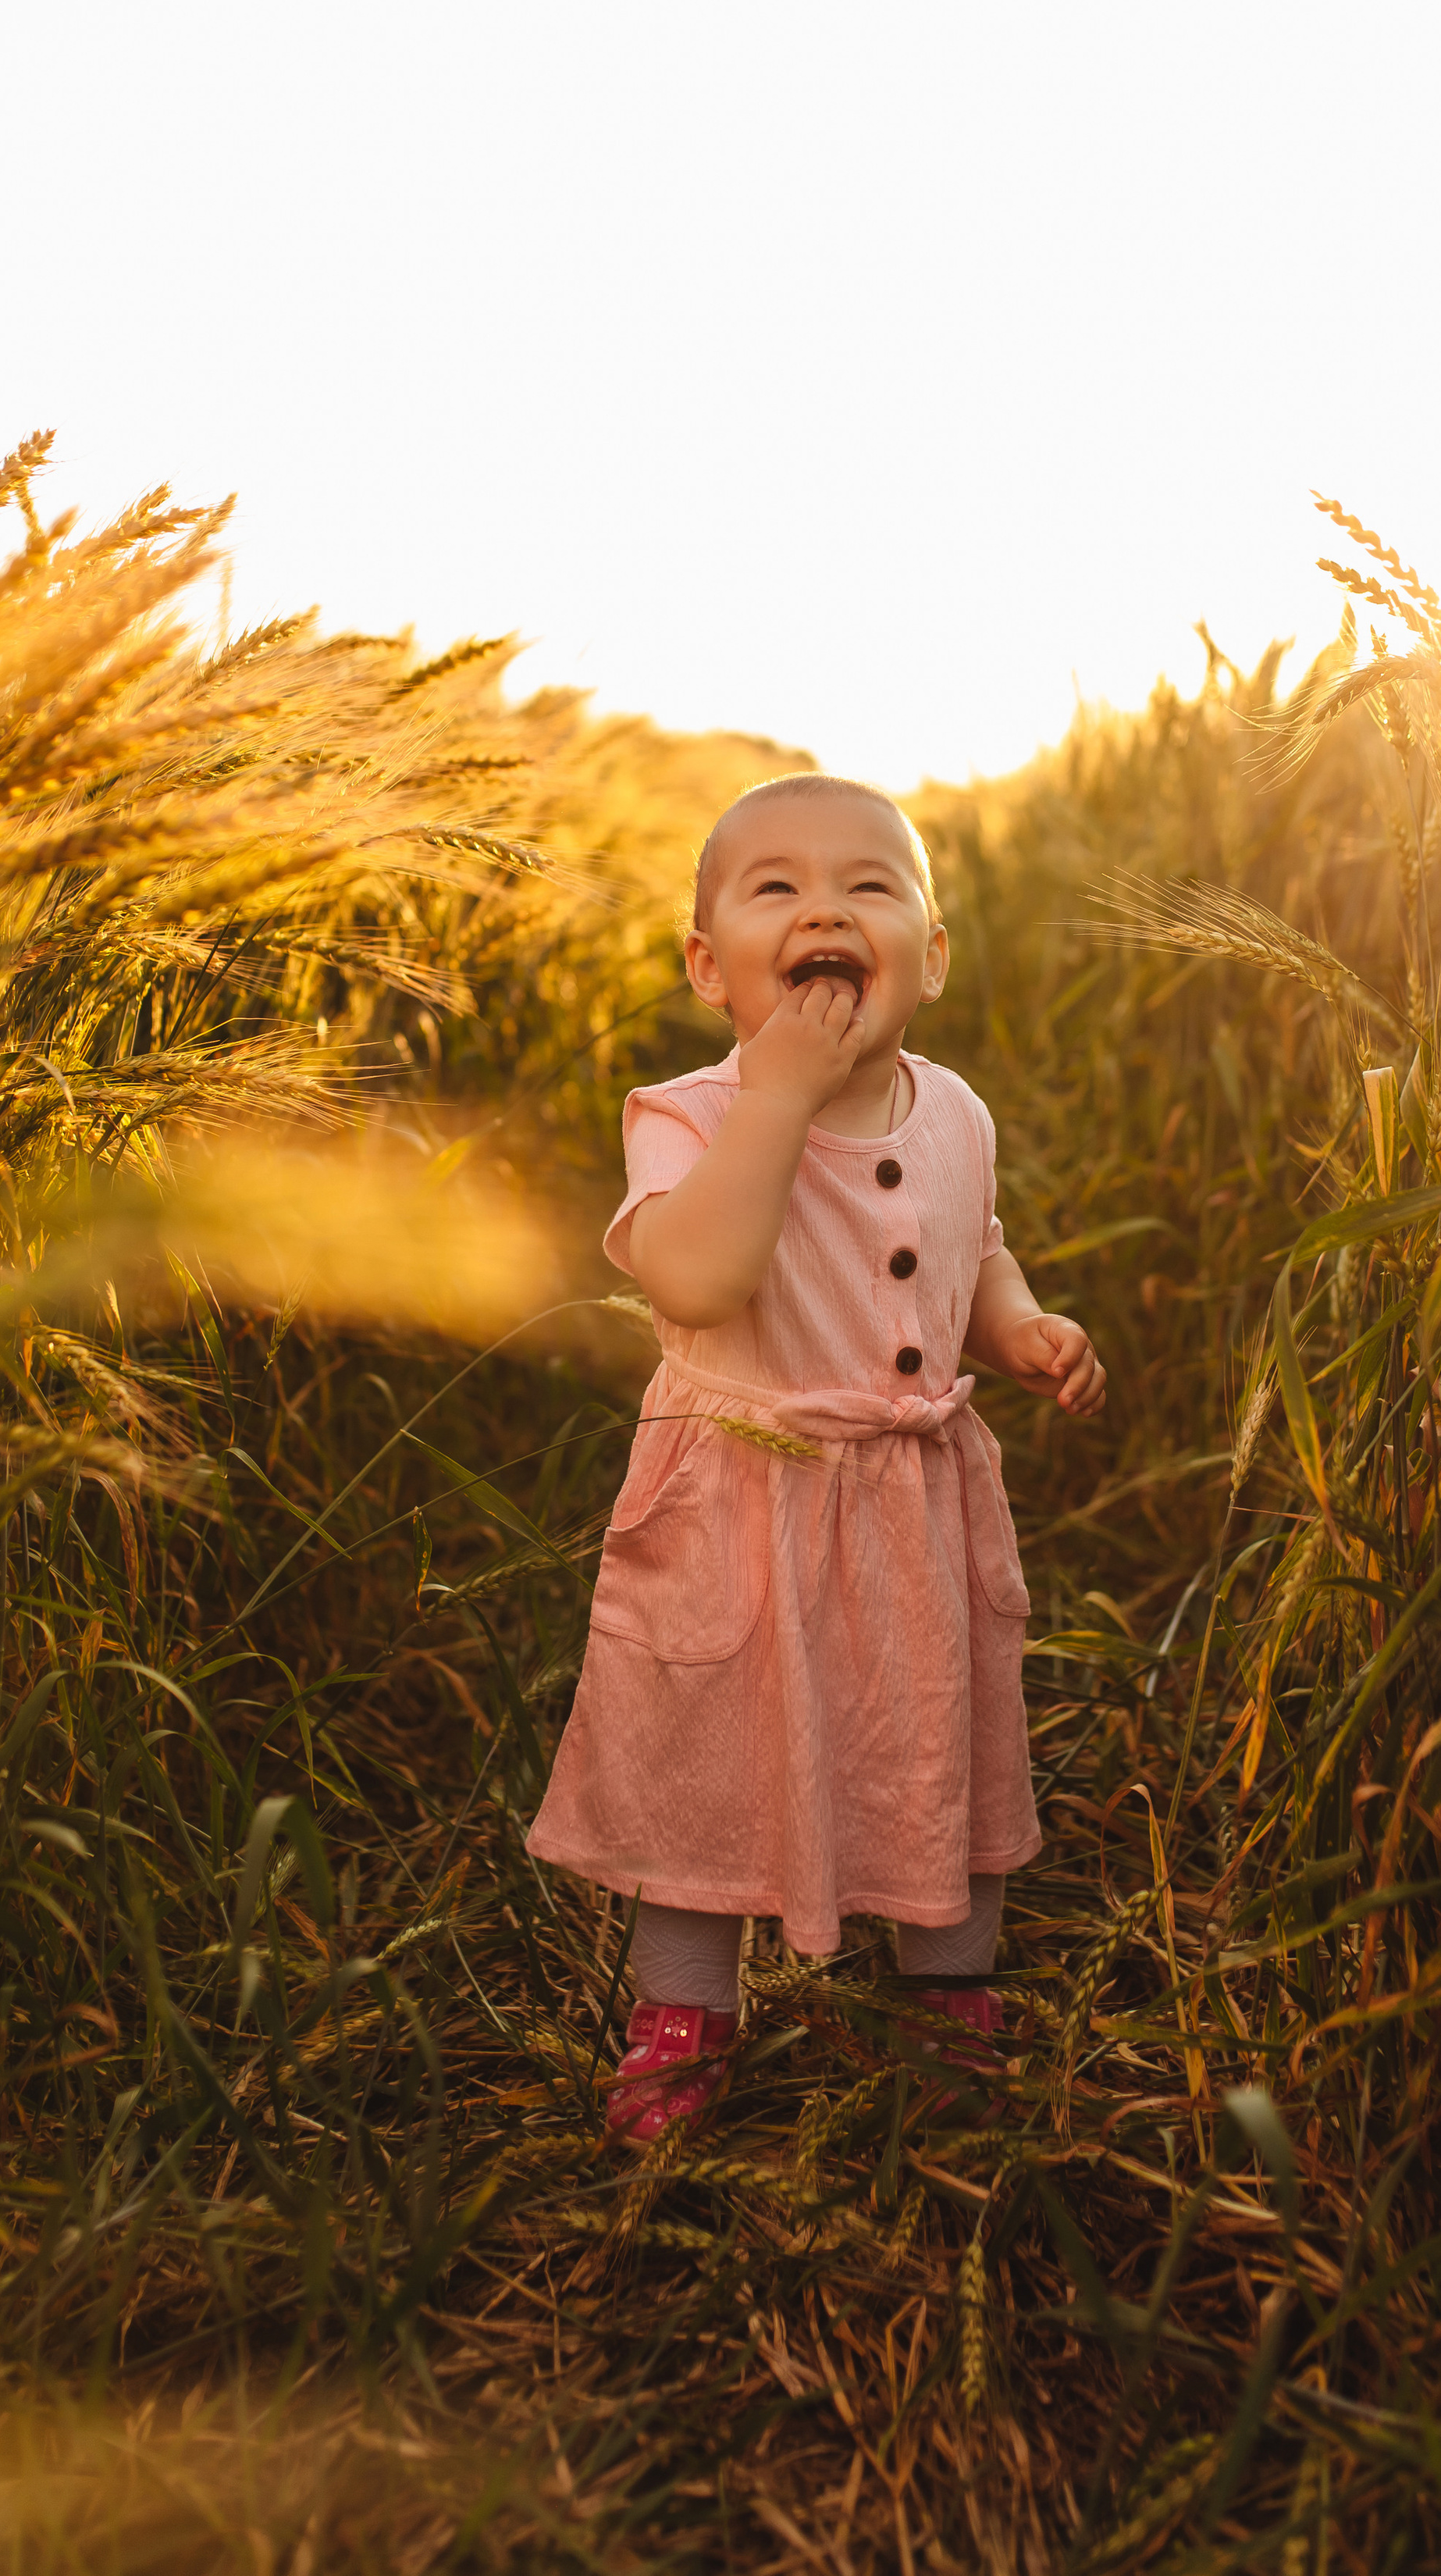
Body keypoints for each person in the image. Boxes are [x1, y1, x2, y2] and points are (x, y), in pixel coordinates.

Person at [527, 775, 1105, 2142]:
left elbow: (974, 1241)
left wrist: (1019, 1326)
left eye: (871, 885)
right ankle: (684, 2012)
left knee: (934, 1741)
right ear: (707, 965)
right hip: (741, 1492)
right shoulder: (687, 1113)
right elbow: (700, 1278)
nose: (827, 908)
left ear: (934, 957)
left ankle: (947, 1998)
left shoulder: (952, 1108)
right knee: (709, 1756)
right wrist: (774, 1100)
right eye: (776, 888)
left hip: (910, 1502)